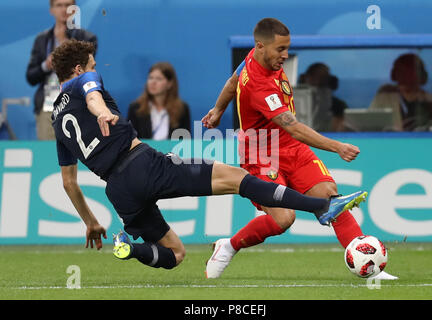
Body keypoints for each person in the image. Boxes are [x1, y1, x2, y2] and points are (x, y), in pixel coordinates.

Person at [50, 39, 367, 271]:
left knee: (174, 254)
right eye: (92, 65)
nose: (94, 70)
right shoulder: (84, 81)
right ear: (78, 69)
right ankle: (323, 206)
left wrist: (91, 222)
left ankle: (130, 250)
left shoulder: (56, 121)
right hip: (143, 165)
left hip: (118, 191)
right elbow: (92, 95)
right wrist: (102, 110)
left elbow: (69, 183)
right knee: (238, 178)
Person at [202, 18, 397, 280]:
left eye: (286, 48)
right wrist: (336, 146)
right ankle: (230, 245)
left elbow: (231, 83)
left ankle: (370, 270)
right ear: (261, 46)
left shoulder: (253, 56)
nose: (285, 55)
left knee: (331, 199)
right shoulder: (260, 85)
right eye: (280, 50)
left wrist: (217, 110)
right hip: (260, 152)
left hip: (290, 146)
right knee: (283, 219)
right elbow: (292, 125)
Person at [26, 0, 97, 140]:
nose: (64, 9)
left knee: (78, 150)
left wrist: (65, 41)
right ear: (51, 10)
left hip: (77, 103)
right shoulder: (42, 40)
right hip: (48, 107)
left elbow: (86, 70)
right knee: (49, 153)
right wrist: (46, 65)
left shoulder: (87, 38)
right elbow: (30, 76)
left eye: (68, 5)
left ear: (75, 9)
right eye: (59, 5)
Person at [369, 53, 432, 131]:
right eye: (401, 72)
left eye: (410, 73)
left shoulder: (429, 99)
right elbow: (370, 121)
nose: (406, 77)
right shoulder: (385, 95)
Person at [127, 62, 191, 140]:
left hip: (171, 151)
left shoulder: (182, 108)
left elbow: (184, 141)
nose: (153, 82)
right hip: (144, 152)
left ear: (169, 84)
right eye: (150, 78)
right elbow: (130, 139)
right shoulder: (136, 108)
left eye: (159, 79)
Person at [298, 63, 348, 132]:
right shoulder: (291, 102)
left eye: (322, 78)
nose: (317, 81)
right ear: (305, 78)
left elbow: (340, 128)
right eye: (314, 77)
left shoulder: (338, 105)